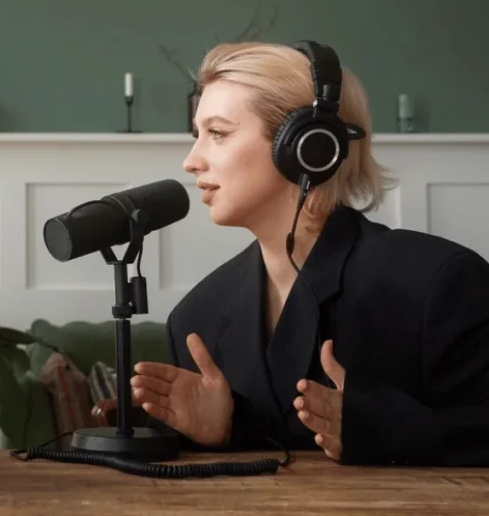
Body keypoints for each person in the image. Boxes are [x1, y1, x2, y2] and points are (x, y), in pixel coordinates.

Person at [131, 40, 489, 467]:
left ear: (309, 146)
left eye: (218, 134)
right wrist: (227, 431)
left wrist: (388, 429)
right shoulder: (196, 320)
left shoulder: (441, 284)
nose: (191, 161)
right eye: (197, 135)